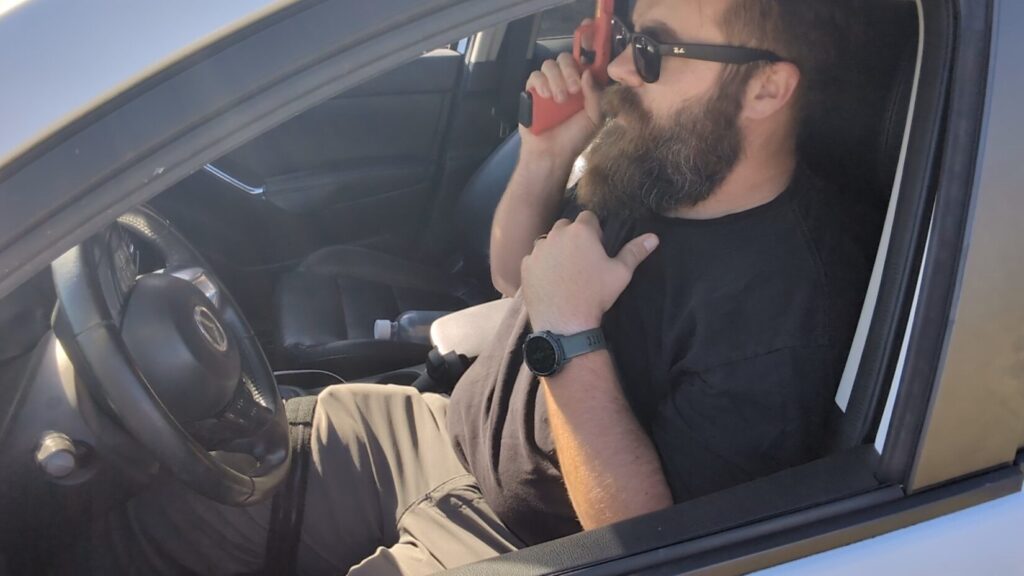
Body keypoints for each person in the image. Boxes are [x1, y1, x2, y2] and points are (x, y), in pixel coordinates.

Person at [85, 0, 871, 574]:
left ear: (768, 89)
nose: (624, 66)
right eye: (630, 34)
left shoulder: (782, 316)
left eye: (657, 51)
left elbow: (653, 549)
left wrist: (568, 335)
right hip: (441, 437)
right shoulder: (665, 164)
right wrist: (545, 154)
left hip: (532, 540)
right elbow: (513, 278)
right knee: (140, 516)